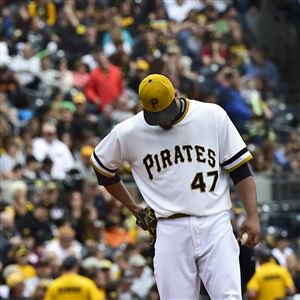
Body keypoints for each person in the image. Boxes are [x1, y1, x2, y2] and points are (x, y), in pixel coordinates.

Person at [91, 73, 260, 299]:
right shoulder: (128, 131)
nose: (163, 120)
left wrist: (252, 215)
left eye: (166, 112)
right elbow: (102, 167)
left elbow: (239, 168)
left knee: (229, 296)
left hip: (215, 221)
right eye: (156, 115)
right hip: (170, 228)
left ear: (176, 95)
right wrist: (133, 207)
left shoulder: (212, 115)